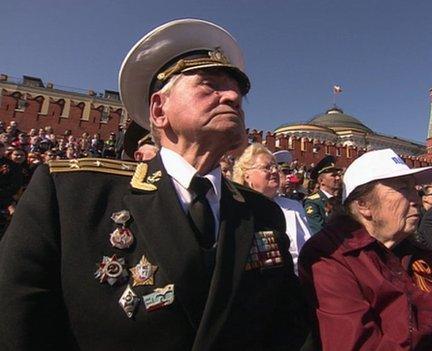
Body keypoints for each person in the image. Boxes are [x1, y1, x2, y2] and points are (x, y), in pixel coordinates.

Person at [0, 19, 308, 350]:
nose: (233, 96)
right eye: (209, 86)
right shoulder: (72, 194)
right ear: (159, 110)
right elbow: (18, 321)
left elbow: (288, 328)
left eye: (237, 91)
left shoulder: (262, 213)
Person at [299, 149, 432, 350]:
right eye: (403, 188)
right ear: (364, 205)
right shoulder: (331, 258)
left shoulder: (419, 253)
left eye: (414, 189)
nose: (416, 200)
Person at [232, 143, 312, 274]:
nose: (275, 171)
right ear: (247, 175)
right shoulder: (238, 208)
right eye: (267, 168)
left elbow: (307, 245)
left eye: (275, 167)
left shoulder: (293, 206)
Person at [303, 155, 341, 233]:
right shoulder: (313, 202)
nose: (338, 178)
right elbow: (318, 231)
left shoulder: (341, 199)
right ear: (321, 181)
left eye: (338, 175)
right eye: (333, 175)